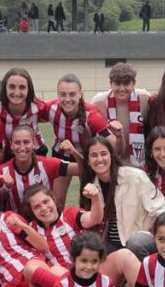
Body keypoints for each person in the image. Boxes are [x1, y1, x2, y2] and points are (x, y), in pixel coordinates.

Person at [79, 137, 165, 253]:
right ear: (88, 161)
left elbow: (160, 208)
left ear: (111, 156)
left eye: (104, 154)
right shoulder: (91, 186)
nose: (100, 159)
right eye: (94, 155)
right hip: (110, 244)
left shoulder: (135, 176)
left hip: (139, 239)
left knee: (135, 242)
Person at [45, 74, 115, 205]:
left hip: (86, 159)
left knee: (89, 199)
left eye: (72, 94)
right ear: (57, 95)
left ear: (81, 94)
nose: (67, 99)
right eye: (63, 94)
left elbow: (112, 142)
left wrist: (100, 153)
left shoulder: (92, 116)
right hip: (61, 155)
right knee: (56, 201)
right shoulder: (50, 108)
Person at [0, 126, 79, 212]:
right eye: (17, 143)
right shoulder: (2, 171)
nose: (22, 147)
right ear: (11, 145)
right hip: (16, 223)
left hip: (44, 221)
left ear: (33, 143)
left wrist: (74, 152)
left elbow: (84, 169)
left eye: (26, 142)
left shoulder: (47, 164)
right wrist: (6, 188)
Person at [91, 62, 152, 168]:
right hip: (112, 163)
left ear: (134, 83)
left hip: (141, 161)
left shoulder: (144, 98)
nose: (122, 88)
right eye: (117, 84)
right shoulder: (99, 102)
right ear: (111, 84)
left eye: (126, 83)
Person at [0, 68, 49, 156]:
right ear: (5, 88)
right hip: (4, 154)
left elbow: (60, 106)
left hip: (34, 152)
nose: (16, 92)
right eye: (12, 87)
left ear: (29, 89)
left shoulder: (39, 106)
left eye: (22, 87)